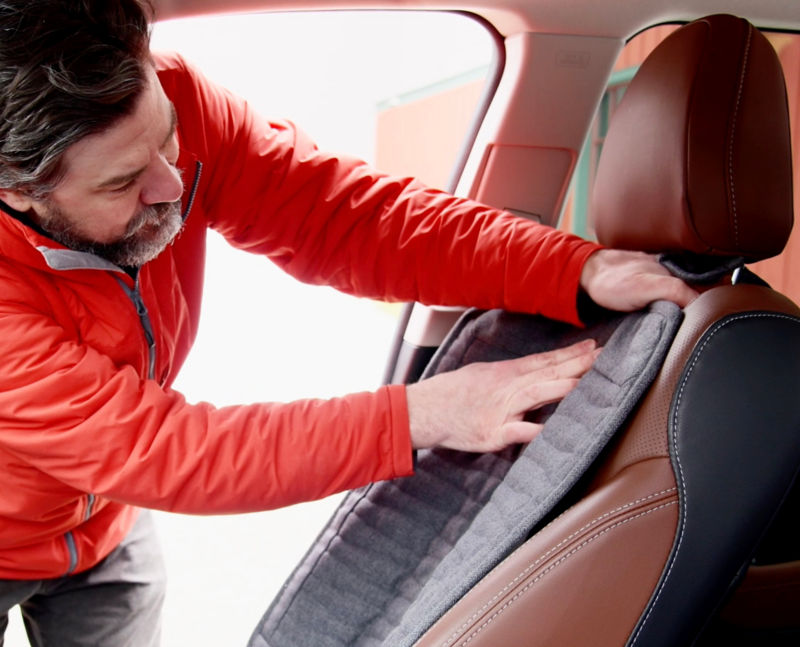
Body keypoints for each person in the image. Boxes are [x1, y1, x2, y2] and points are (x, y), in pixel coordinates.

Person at [0, 1, 697, 645]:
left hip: (104, 522)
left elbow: (347, 219)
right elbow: (164, 450)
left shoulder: (169, 98)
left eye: (169, 139)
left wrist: (571, 268)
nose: (173, 183)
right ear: (18, 188)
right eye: (123, 183)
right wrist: (428, 413)